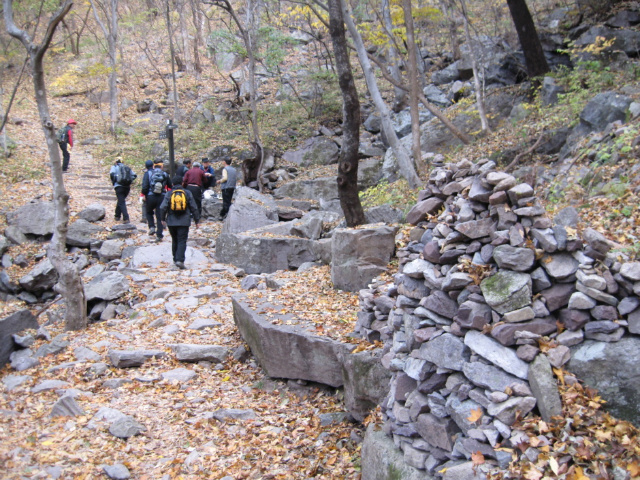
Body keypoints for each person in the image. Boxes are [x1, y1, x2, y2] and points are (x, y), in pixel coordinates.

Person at [159, 175, 200, 270]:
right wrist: (197, 220)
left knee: (175, 240)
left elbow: (162, 207)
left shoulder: (169, 193)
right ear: (182, 183)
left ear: (172, 184)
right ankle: (180, 260)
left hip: (171, 221)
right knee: (182, 240)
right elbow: (194, 207)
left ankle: (175, 259)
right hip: (184, 221)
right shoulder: (187, 193)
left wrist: (162, 219)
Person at [142, 161, 172, 241]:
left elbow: (145, 186)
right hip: (161, 196)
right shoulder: (165, 174)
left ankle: (152, 226)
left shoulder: (148, 173)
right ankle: (159, 235)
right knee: (159, 215)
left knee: (149, 212)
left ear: (154, 166)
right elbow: (170, 185)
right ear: (161, 167)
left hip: (150, 196)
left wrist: (144, 194)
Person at [109, 157, 136, 224]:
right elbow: (134, 175)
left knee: (121, 202)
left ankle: (126, 218)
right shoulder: (127, 167)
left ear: (116, 162)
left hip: (119, 187)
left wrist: (114, 181)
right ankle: (117, 215)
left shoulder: (114, 167)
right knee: (121, 200)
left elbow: (112, 174)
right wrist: (129, 181)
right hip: (127, 187)